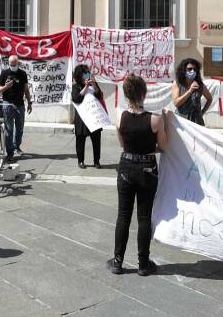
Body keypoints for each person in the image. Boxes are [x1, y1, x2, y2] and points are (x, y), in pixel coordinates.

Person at [108, 74, 170, 277]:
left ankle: (117, 261)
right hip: (147, 169)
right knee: (144, 217)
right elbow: (164, 146)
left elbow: (121, 144)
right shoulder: (155, 119)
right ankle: (143, 263)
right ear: (144, 93)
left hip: (126, 166)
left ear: (126, 94)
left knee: (123, 216)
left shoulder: (120, 117)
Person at [0, 54, 32, 159]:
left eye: (14, 64)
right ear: (8, 64)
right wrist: (6, 87)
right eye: (11, 64)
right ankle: (10, 151)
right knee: (9, 129)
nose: (13, 66)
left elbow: (26, 89)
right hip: (8, 103)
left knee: (20, 128)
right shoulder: (4, 73)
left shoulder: (22, 74)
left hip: (20, 104)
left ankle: (17, 146)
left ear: (18, 64)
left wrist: (29, 102)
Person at [71, 64, 104, 169]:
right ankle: (81, 161)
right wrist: (86, 86)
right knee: (80, 140)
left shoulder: (94, 84)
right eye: (84, 74)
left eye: (88, 73)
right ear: (79, 76)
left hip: (94, 116)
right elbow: (77, 99)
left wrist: (94, 85)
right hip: (82, 118)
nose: (87, 75)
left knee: (96, 140)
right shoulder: (76, 87)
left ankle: (97, 161)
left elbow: (100, 96)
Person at [171, 58, 212, 126]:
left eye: (194, 69)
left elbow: (209, 99)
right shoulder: (177, 84)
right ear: (184, 70)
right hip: (181, 120)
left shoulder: (200, 85)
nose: (192, 71)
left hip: (196, 121)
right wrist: (190, 90)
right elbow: (176, 103)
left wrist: (202, 112)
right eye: (189, 69)